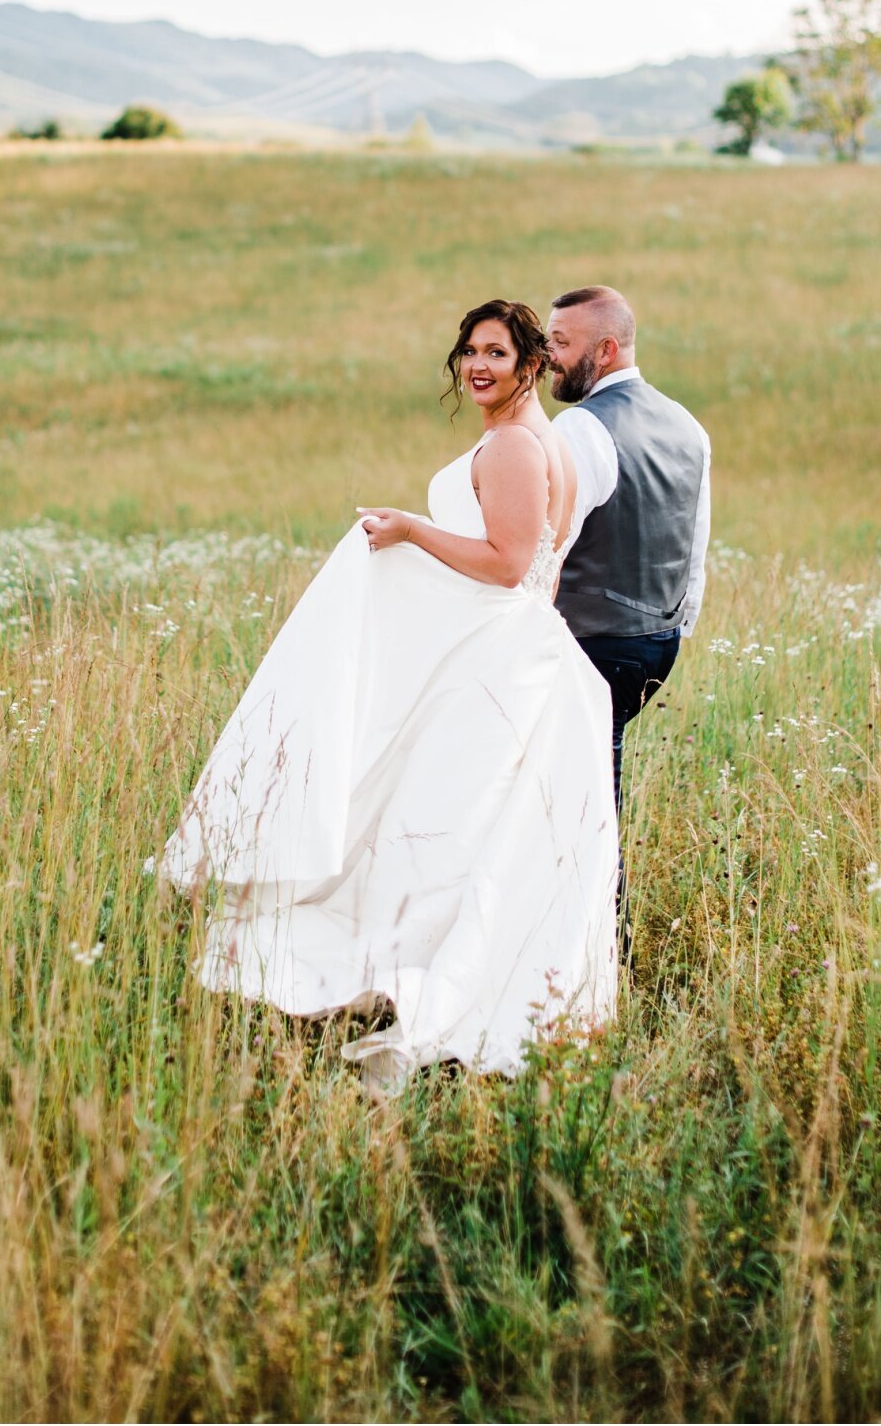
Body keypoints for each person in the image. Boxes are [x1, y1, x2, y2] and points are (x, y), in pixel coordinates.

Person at [155, 299, 617, 1096]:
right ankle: (441, 961)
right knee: (478, 833)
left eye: (496, 354)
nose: (477, 366)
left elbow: (509, 564)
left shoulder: (512, 444)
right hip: (524, 654)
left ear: (532, 365)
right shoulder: (552, 443)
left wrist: (408, 530)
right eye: (469, 351)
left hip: (498, 657)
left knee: (437, 823)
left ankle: (407, 968)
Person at [545, 285, 711, 961]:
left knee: (581, 804)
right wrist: (673, 629)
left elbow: (545, 549)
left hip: (587, 645)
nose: (547, 356)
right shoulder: (687, 425)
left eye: (560, 343)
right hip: (656, 647)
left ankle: (594, 955)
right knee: (586, 790)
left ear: (605, 349)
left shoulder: (580, 429)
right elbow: (694, 544)